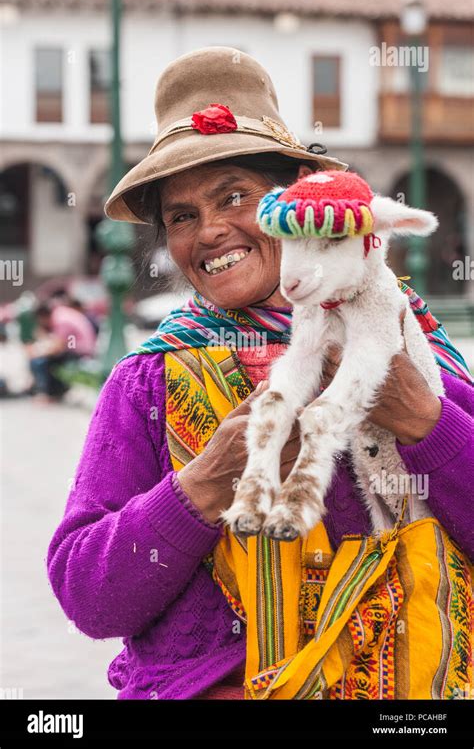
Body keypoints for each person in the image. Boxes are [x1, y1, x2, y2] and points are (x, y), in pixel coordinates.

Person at [46, 47, 474, 700]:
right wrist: (205, 482)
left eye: (235, 197)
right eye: (182, 216)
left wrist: (424, 420)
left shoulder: (405, 340)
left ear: (300, 189)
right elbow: (90, 597)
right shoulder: (152, 380)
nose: (211, 231)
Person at [28, 299, 96, 401]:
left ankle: (49, 394)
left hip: (80, 352)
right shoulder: (60, 314)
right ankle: (50, 392)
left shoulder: (61, 320)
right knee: (44, 359)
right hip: (76, 349)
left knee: (42, 361)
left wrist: (37, 352)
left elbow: (57, 347)